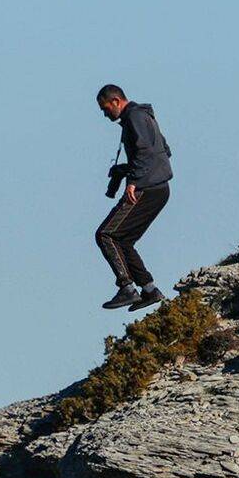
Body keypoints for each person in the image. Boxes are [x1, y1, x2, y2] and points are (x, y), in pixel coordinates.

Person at [94, 84, 172, 310]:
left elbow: (146, 152)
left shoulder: (135, 117)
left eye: (105, 108)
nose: (105, 114)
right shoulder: (143, 116)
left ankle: (127, 288)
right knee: (123, 240)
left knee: (106, 235)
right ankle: (149, 290)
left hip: (147, 190)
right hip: (159, 188)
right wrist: (126, 170)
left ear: (116, 101)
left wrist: (134, 180)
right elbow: (164, 150)